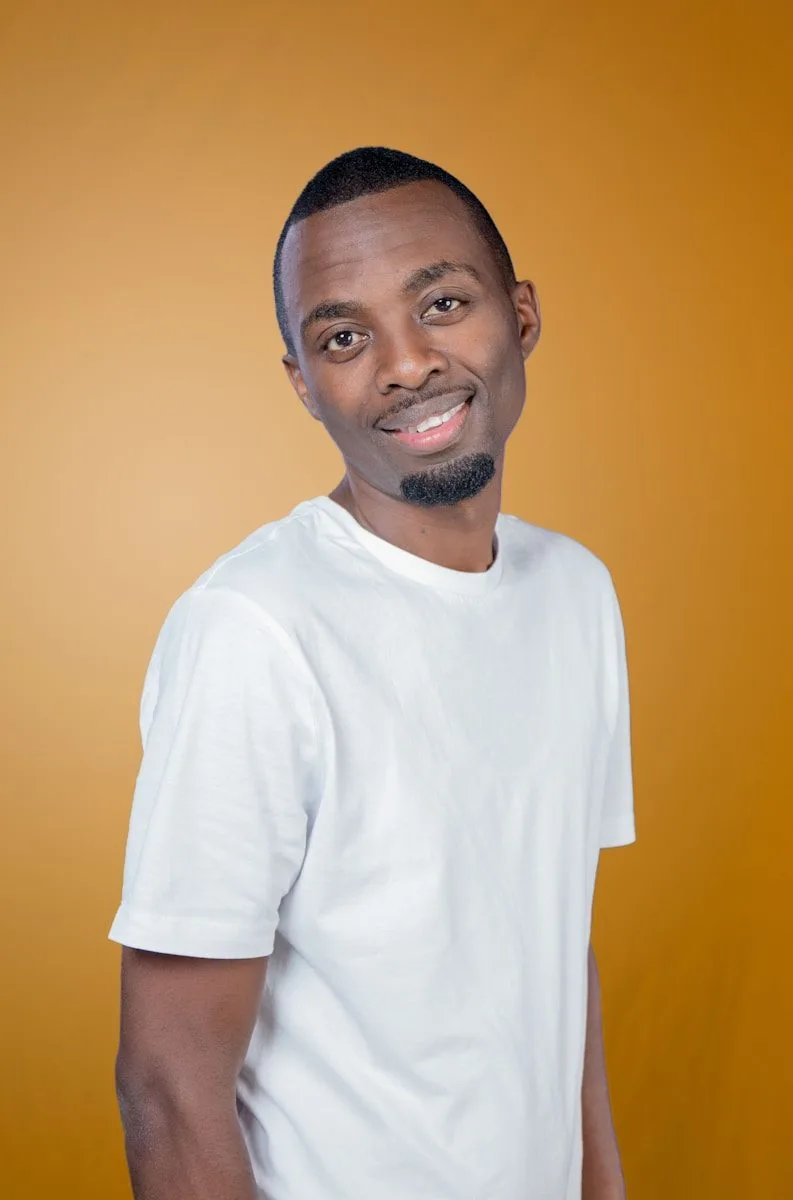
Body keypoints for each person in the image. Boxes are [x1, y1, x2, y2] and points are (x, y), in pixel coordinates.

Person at [109, 146, 636, 1200]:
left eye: (441, 304)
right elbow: (167, 1081)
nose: (404, 364)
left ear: (521, 314)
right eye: (344, 337)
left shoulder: (574, 593)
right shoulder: (253, 630)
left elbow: (548, 945)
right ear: (303, 384)